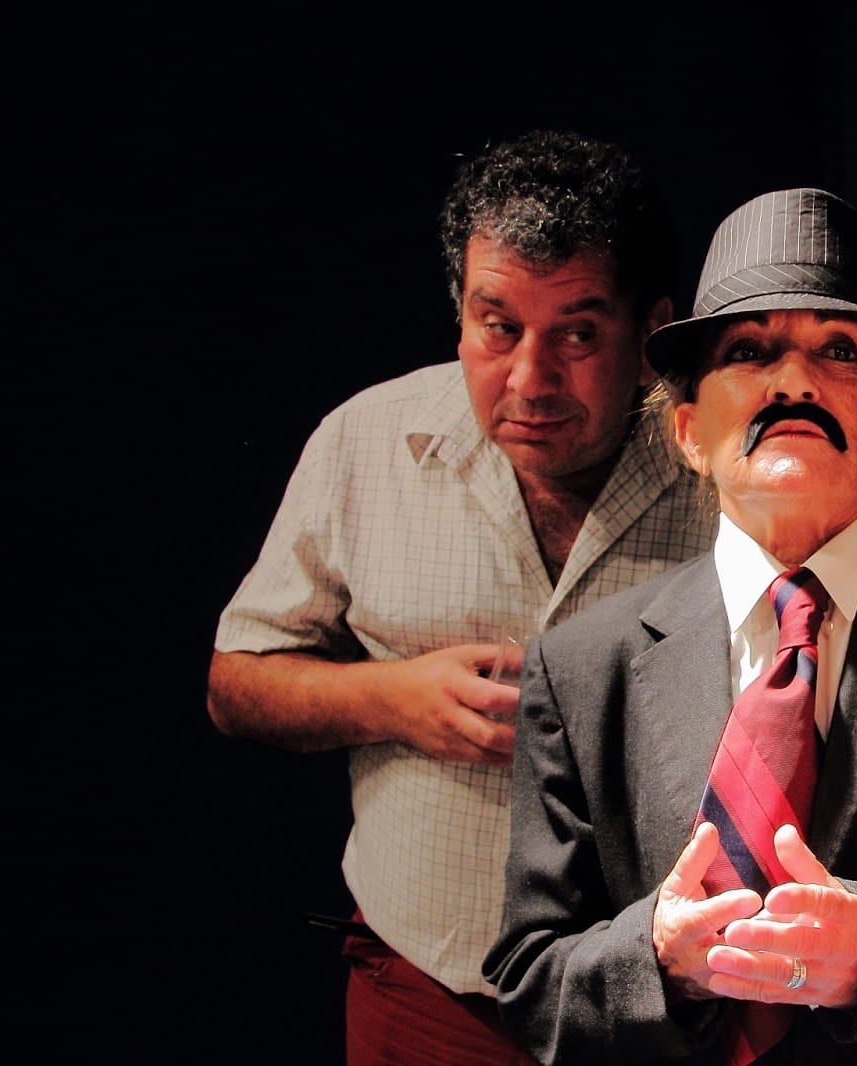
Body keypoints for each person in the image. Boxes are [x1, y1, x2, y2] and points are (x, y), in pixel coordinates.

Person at [484, 187, 857, 1064]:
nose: (793, 383)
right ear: (687, 433)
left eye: (839, 351)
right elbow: (531, 980)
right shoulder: (581, 668)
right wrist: (657, 958)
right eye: (749, 352)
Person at [207, 130, 715, 1065]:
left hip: (661, 997)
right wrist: (391, 700)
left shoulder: (724, 468)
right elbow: (235, 684)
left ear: (651, 333)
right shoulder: (365, 442)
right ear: (460, 315)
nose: (530, 380)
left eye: (578, 333)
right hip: (426, 980)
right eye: (498, 326)